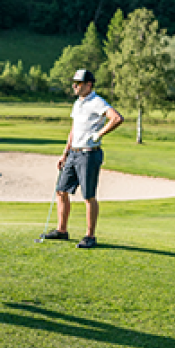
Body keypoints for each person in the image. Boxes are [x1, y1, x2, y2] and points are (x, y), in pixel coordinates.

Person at [41, 69, 124, 248]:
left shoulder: (97, 102)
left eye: (78, 83)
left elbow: (116, 118)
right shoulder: (77, 103)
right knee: (61, 191)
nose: (74, 86)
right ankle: (62, 230)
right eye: (74, 83)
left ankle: (90, 236)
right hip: (74, 153)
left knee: (88, 196)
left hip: (89, 154)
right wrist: (65, 152)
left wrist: (99, 134)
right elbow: (73, 130)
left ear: (88, 85)